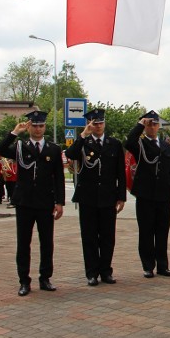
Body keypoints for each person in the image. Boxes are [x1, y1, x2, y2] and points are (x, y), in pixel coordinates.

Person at [0, 110, 65, 297]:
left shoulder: (53, 148)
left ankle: (45, 278)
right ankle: (24, 281)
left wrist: (60, 202)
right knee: (23, 243)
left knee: (46, 242)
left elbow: (58, 177)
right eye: (34, 126)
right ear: (29, 127)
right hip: (25, 201)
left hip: (45, 202)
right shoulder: (20, 146)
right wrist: (14, 132)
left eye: (41, 126)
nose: (37, 129)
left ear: (45, 127)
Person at [67, 109, 126, 286]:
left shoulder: (114, 143)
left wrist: (121, 196)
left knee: (108, 237)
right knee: (90, 236)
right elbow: (70, 155)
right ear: (89, 124)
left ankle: (106, 271)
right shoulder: (83, 143)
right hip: (88, 197)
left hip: (108, 196)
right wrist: (83, 135)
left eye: (100, 123)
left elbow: (120, 173)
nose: (98, 126)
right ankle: (91, 273)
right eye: (94, 123)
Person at [125, 110, 170, 276]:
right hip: (146, 195)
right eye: (149, 124)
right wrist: (140, 124)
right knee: (146, 231)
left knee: (162, 231)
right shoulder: (140, 144)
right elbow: (129, 142)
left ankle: (163, 265)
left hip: (164, 194)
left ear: (159, 126)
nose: (152, 127)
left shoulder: (167, 147)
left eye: (155, 124)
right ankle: (148, 266)